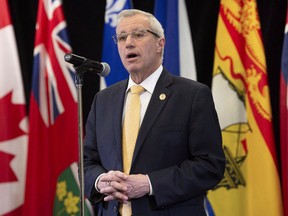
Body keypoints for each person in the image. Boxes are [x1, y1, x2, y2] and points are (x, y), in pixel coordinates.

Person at [83, 9, 226, 216]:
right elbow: (88, 161)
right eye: (122, 37)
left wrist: (150, 184)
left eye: (138, 34)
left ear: (161, 43)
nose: (128, 43)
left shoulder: (192, 96)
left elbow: (210, 165)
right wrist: (99, 181)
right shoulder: (104, 100)